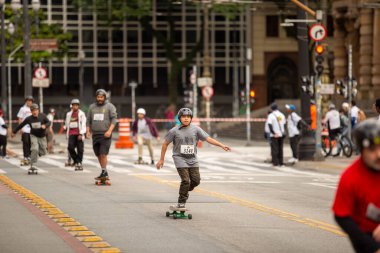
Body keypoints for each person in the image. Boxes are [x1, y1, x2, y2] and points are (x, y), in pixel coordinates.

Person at [156, 108, 231, 208]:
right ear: (180, 118)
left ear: (191, 118)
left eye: (188, 117)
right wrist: (161, 159)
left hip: (192, 159)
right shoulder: (174, 131)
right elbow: (165, 144)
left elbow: (208, 139)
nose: (186, 119)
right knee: (186, 180)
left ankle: (185, 190)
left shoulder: (196, 129)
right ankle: (181, 201)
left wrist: (221, 145)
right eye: (184, 117)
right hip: (179, 158)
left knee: (196, 181)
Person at [332, 119, 380, 253]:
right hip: (366, 236)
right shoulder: (350, 177)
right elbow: (341, 215)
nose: (378, 154)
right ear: (362, 150)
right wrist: (371, 247)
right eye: (372, 150)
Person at [86, 89, 117, 181]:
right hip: (95, 134)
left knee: (103, 153)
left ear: (104, 97)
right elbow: (88, 120)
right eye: (98, 97)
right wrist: (87, 131)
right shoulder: (92, 107)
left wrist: (109, 131)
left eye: (101, 97)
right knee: (98, 154)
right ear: (96, 97)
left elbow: (114, 119)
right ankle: (104, 172)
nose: (100, 99)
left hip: (105, 134)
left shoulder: (110, 106)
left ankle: (104, 172)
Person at [11, 104, 50, 171]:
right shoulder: (29, 119)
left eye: (36, 110)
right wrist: (14, 132)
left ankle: (36, 154)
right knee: (34, 149)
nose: (34, 112)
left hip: (42, 136)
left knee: (44, 152)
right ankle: (32, 165)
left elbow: (49, 122)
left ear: (38, 110)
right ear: (31, 111)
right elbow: (21, 125)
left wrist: (45, 125)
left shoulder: (42, 116)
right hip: (33, 135)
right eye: (33, 111)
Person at [65, 99, 87, 170]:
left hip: (79, 133)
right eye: (73, 105)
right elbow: (67, 123)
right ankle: (76, 160)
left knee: (80, 149)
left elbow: (83, 124)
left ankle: (79, 162)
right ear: (71, 106)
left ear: (78, 106)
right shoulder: (68, 114)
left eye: (76, 105)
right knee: (70, 147)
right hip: (71, 133)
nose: (75, 106)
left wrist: (81, 133)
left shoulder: (82, 114)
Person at [17, 96, 34, 165]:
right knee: (25, 142)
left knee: (31, 143)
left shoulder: (33, 109)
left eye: (30, 101)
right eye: (28, 100)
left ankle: (29, 156)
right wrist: (21, 128)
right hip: (25, 129)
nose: (29, 102)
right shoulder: (23, 109)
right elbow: (20, 119)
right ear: (26, 101)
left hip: (32, 129)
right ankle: (25, 156)